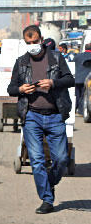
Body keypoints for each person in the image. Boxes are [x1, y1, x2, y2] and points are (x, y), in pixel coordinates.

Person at [7, 25, 74, 214]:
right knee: (37, 160)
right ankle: (47, 199)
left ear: (42, 39)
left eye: (35, 42)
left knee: (61, 159)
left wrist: (53, 83)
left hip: (54, 115)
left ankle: (49, 182)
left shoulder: (56, 58)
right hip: (32, 117)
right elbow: (11, 88)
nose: (32, 46)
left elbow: (70, 79)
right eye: (28, 43)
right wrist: (21, 89)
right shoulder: (21, 62)